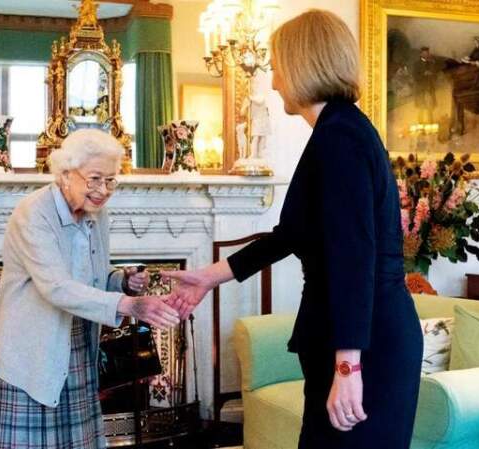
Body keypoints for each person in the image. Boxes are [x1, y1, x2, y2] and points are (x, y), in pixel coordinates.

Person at [164, 9, 423, 449]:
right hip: (358, 339)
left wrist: (348, 366)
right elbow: (291, 234)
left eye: (278, 66)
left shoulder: (340, 138)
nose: (274, 81)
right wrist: (209, 276)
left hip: (369, 345)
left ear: (304, 65)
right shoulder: (336, 131)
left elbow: (353, 257)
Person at [0, 129, 180, 449]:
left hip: (77, 341)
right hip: (34, 348)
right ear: (66, 174)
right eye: (94, 179)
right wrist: (128, 305)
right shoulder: (33, 214)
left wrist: (121, 281)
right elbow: (56, 286)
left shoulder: (96, 213)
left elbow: (90, 275)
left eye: (110, 180)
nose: (103, 190)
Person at [412, 46, 437, 123]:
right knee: (421, 106)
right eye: (424, 53)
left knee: (430, 106)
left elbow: (435, 75)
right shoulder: (416, 64)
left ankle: (431, 121)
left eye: (427, 53)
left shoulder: (432, 63)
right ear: (421, 54)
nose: (426, 55)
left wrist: (432, 75)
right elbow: (415, 76)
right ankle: (421, 122)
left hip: (429, 88)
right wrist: (424, 74)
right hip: (420, 88)